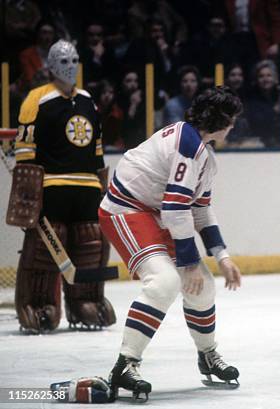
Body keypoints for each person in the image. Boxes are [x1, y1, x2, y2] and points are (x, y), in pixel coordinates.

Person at [98, 86, 243, 400]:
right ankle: (126, 363)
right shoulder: (188, 146)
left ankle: (207, 356)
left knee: (203, 285)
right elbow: (176, 210)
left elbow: (200, 210)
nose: (233, 126)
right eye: (231, 119)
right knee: (164, 282)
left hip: (153, 212)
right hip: (126, 209)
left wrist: (223, 257)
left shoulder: (201, 151)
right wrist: (189, 263)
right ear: (220, 121)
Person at [13, 40, 116, 333]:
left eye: (74, 60)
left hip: (86, 188)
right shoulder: (36, 99)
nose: (70, 67)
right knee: (45, 249)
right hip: (52, 186)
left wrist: (102, 187)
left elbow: (96, 149)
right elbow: (25, 150)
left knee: (91, 245)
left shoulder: (87, 100)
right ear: (50, 66)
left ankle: (86, 302)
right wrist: (28, 196)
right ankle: (39, 305)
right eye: (64, 61)